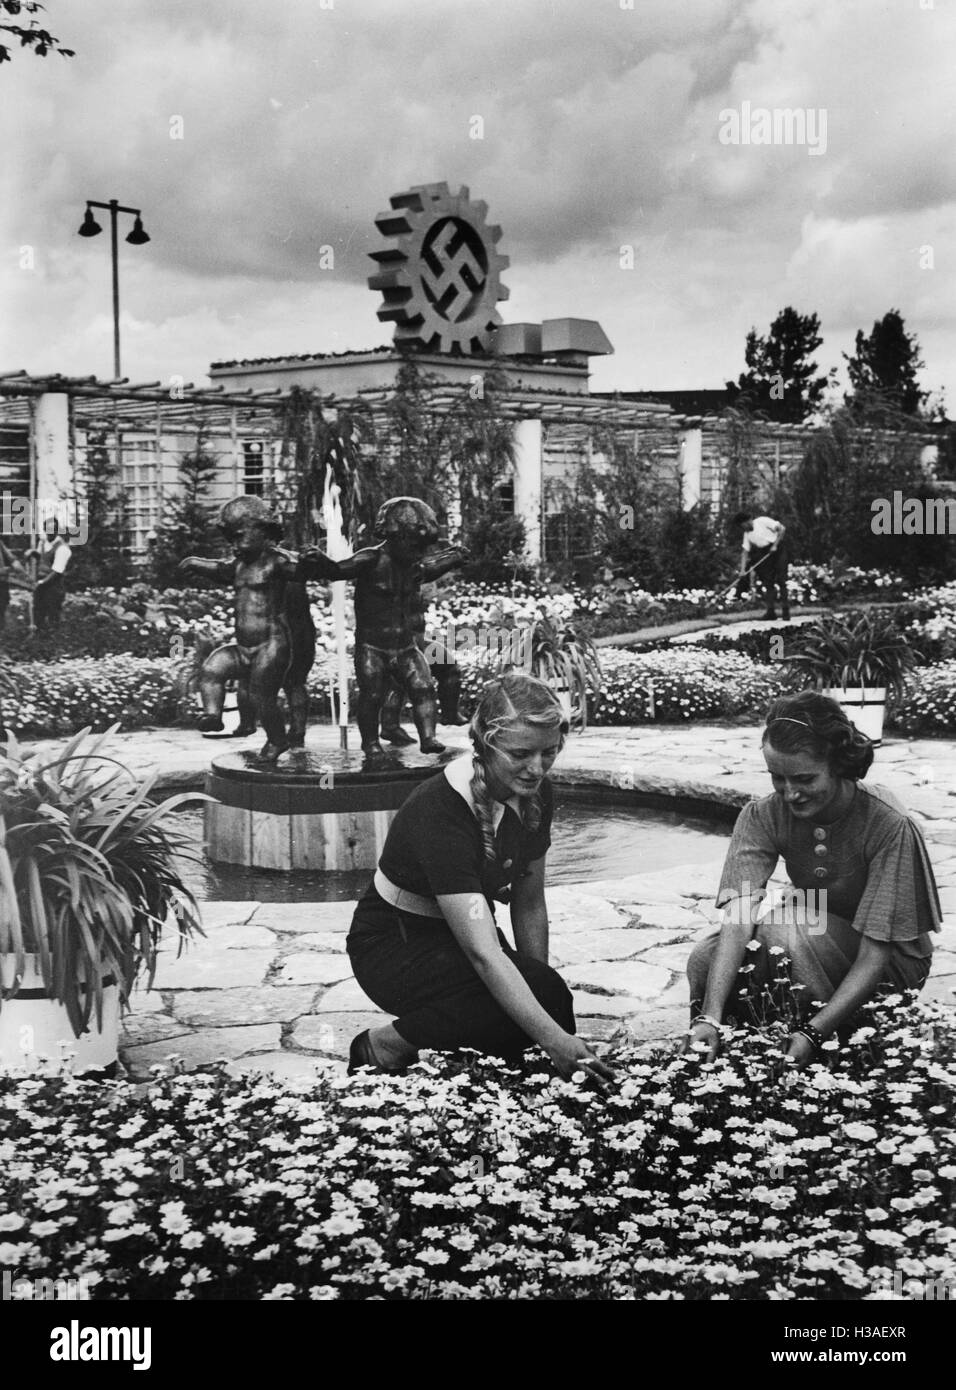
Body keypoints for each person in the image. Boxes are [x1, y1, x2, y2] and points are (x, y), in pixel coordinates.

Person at [345, 672, 615, 1084]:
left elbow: (529, 901)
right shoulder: (441, 809)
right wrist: (548, 1038)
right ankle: (383, 1045)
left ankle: (470, 1041)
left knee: (550, 999)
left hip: (458, 938)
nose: (536, 767)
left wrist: (536, 992)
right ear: (486, 744)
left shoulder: (536, 792)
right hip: (394, 946)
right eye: (521, 753)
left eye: (549, 752)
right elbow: (482, 955)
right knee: (512, 1009)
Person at [685, 691, 942, 1070]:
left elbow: (876, 954)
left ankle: (827, 1050)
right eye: (777, 778)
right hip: (813, 938)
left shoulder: (889, 824)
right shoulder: (762, 815)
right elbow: (738, 916)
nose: (790, 793)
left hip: (889, 966)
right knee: (706, 958)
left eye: (805, 778)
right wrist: (710, 1014)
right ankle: (722, 1053)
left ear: (837, 765)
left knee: (785, 930)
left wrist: (814, 1032)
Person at [301, 497, 467, 758]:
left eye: (421, 548)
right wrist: (321, 562)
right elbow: (339, 570)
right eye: (414, 545)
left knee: (423, 686)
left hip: (405, 645)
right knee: (373, 696)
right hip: (372, 648)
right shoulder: (371, 558)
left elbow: (432, 568)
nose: (418, 553)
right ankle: (370, 743)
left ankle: (429, 738)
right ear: (394, 535)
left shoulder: (411, 564)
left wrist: (454, 557)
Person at [179, 496, 333, 761]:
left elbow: (299, 572)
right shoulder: (238, 564)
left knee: (262, 695)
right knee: (211, 669)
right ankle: (213, 716)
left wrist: (310, 562)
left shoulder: (277, 561)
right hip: (243, 647)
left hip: (271, 645)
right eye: (231, 541)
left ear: (263, 531)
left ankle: (277, 740)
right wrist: (196, 563)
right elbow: (219, 569)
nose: (235, 546)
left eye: (239, 537)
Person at [733, 510, 790, 621]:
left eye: (742, 525)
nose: (743, 528)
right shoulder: (747, 534)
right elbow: (745, 552)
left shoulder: (762, 521)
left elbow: (782, 529)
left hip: (778, 550)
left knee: (781, 580)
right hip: (764, 553)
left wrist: (775, 545)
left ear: (747, 521)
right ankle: (771, 612)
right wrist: (742, 570)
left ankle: (785, 611)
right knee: (768, 582)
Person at [27, 522, 72, 632]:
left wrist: (41, 582)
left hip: (54, 586)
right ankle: (38, 638)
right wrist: (32, 553)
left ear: (57, 531)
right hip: (40, 585)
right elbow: (40, 557)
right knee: (38, 611)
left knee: (53, 613)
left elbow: (56, 571)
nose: (49, 533)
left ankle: (54, 641)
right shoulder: (42, 543)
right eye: (47, 530)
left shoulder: (62, 549)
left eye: (52, 530)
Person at [0, 537, 28, 632]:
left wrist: (24, 574)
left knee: (2, 606)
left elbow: (12, 559)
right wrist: (1, 571)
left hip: (2, 583)